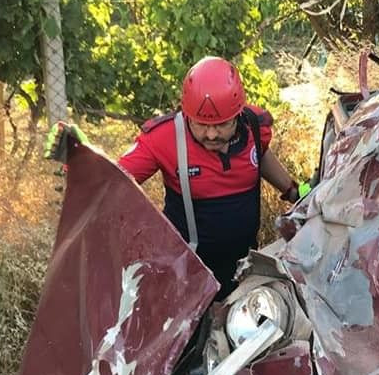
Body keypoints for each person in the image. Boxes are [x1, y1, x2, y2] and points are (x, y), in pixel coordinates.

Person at [118, 56, 302, 297]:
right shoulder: (164, 139)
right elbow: (113, 180)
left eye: (222, 125)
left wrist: (296, 192)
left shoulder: (255, 128)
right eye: (201, 125)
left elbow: (261, 154)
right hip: (190, 273)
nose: (212, 134)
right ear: (186, 115)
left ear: (238, 114)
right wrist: (79, 158)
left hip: (245, 265)